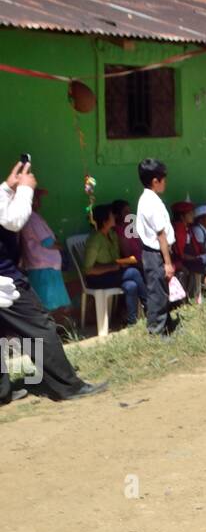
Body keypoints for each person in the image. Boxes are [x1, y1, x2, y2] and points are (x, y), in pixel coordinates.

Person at [0, 159, 106, 403]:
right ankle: (67, 386)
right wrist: (25, 189)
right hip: (6, 281)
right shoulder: (28, 210)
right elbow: (12, 221)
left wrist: (7, 187)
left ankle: (2, 391)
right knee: (39, 327)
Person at [83, 204, 147, 328]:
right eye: (111, 215)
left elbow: (115, 259)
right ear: (105, 221)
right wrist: (112, 267)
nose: (114, 217)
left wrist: (122, 262)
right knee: (133, 272)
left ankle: (132, 322)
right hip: (96, 278)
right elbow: (88, 270)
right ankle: (149, 307)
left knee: (131, 285)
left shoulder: (112, 235)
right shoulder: (95, 240)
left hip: (112, 274)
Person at [135, 158, 176, 337]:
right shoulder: (150, 202)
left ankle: (166, 324)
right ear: (155, 181)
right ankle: (156, 331)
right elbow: (161, 235)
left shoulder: (150, 199)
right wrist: (167, 262)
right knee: (157, 292)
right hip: (155, 253)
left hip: (157, 252)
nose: (165, 183)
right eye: (163, 179)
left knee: (162, 290)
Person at [20, 187, 74, 319]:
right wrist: (60, 247)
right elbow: (47, 242)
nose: (39, 201)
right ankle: (47, 329)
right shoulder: (32, 218)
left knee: (45, 306)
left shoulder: (30, 217)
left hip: (42, 266)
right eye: (37, 198)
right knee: (45, 306)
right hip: (43, 267)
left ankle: (49, 328)